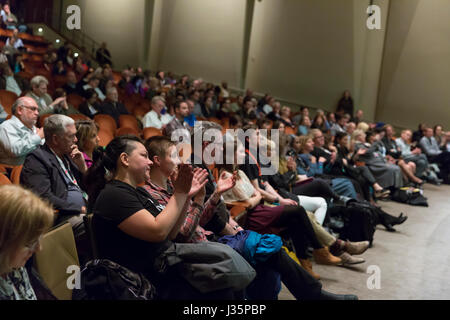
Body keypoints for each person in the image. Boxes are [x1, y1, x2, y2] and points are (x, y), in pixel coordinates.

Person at [141, 136, 359, 299]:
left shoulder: (173, 185)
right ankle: (316, 295)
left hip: (208, 241)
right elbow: (181, 233)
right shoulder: (152, 194)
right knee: (270, 248)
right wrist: (194, 199)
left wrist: (214, 195)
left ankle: (315, 293)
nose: (180, 161)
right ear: (158, 161)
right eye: (173, 156)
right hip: (195, 252)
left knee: (271, 252)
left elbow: (201, 220)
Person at [85, 136, 242, 300]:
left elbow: (172, 233)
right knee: (224, 286)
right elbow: (158, 231)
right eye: (144, 156)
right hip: (144, 280)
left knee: (231, 277)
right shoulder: (114, 194)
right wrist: (180, 193)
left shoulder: (135, 192)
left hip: (164, 266)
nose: (150, 162)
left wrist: (185, 196)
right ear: (125, 159)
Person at [20, 114, 88, 239]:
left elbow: (88, 186)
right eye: (71, 136)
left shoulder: (69, 155)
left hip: (83, 210)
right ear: (56, 139)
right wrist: (79, 208)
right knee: (95, 224)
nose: (76, 140)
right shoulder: (37, 159)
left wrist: (82, 167)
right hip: (61, 218)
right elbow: (44, 197)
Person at [0, 185, 55, 300]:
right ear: (4, 242)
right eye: (30, 242)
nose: (39, 248)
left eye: (38, 239)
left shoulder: (14, 268)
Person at [0, 97, 44, 165]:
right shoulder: (7, 126)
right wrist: (38, 136)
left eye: (38, 110)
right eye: (33, 109)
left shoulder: (33, 127)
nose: (37, 113)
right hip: (14, 171)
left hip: (35, 168)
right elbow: (15, 151)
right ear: (20, 110)